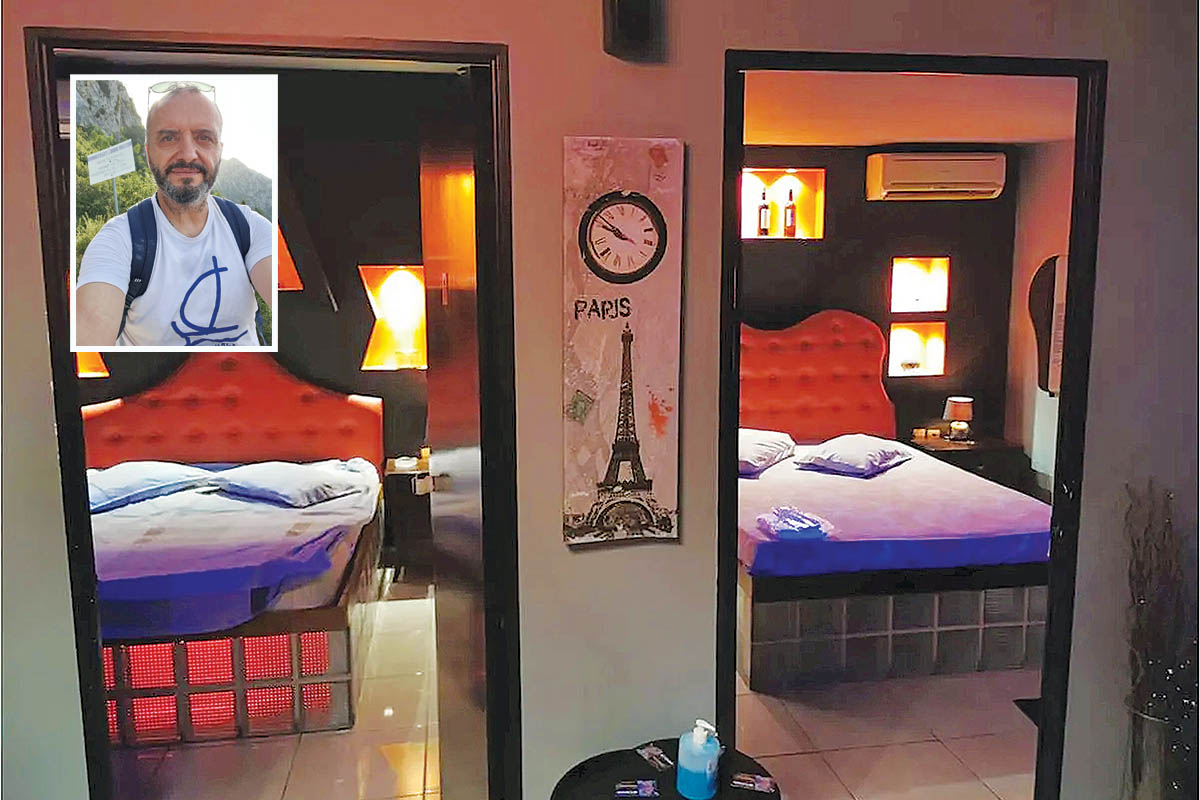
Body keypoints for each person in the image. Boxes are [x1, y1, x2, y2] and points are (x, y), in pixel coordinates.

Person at [76, 84, 273, 346]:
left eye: (204, 137)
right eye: (169, 138)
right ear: (149, 155)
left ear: (219, 151)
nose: (188, 154)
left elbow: (300, 307)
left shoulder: (250, 228)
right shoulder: (118, 241)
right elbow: (90, 337)